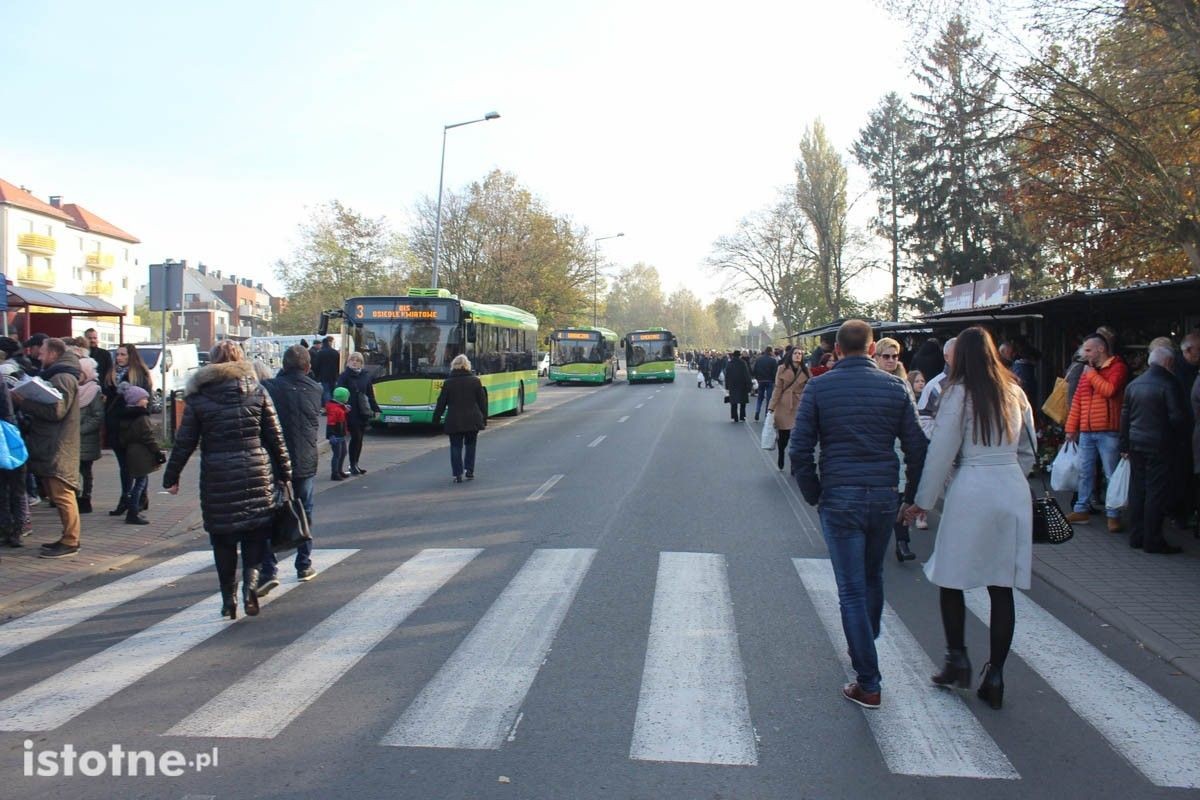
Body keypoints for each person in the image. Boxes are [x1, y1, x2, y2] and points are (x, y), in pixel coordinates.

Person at [790, 320, 927, 709]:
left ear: (836, 348)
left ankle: (868, 680)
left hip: (840, 495)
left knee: (850, 589)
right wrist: (911, 496)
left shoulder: (819, 386)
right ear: (871, 350)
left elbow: (801, 448)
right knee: (871, 576)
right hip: (883, 495)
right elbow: (917, 447)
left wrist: (813, 492)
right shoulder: (895, 386)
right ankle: (865, 642)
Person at [904, 326, 1036, 711]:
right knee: (1002, 586)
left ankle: (957, 658)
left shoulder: (959, 393)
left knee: (951, 575)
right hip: (1010, 487)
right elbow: (1028, 448)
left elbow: (941, 450)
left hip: (972, 487)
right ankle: (995, 673)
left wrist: (922, 501)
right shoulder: (1014, 390)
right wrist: (1013, 476)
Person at [163, 341, 292, 620]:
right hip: (256, 472)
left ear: (211, 362)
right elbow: (275, 436)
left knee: (222, 540)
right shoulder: (257, 392)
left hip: (217, 475)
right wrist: (286, 473)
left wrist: (171, 477)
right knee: (254, 535)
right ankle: (250, 589)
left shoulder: (198, 397)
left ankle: (227, 598)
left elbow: (184, 441)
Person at [259, 345, 323, 593]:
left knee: (269, 512)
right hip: (305, 460)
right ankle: (304, 564)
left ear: (283, 366)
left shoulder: (270, 388)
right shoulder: (315, 389)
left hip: (275, 460)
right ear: (308, 367)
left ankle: (269, 568)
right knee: (304, 511)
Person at [18, 338, 82, 559]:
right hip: (53, 443)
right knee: (59, 493)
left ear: (54, 354)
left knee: (62, 493)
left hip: (58, 445)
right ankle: (67, 537)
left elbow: (56, 411)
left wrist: (23, 401)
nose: (38, 356)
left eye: (43, 352)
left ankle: (71, 540)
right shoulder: (60, 374)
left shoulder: (62, 377)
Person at [1120, 346, 1188, 554]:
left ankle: (1136, 536)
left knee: (1138, 489)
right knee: (1156, 491)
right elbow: (1177, 417)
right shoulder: (1169, 383)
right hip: (1161, 444)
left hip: (1136, 442)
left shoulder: (1134, 384)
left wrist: (1124, 445)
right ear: (1168, 363)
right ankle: (1153, 539)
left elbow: (1125, 417)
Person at [1064, 333, 1130, 532]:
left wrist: (1091, 374)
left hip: (1108, 430)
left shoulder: (1117, 368)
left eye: (1088, 350)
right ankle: (1081, 508)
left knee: (1111, 473)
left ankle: (1113, 513)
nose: (1085, 354)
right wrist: (1070, 428)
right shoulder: (1088, 371)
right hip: (1087, 429)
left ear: (1101, 349)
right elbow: (1078, 400)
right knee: (1085, 472)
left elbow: (1109, 390)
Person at [875, 337, 916, 563]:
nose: (891, 361)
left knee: (899, 496)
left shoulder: (903, 382)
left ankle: (902, 542)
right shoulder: (871, 382)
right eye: (886, 356)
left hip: (900, 448)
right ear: (877, 357)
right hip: (880, 449)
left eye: (895, 356)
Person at [104, 343, 153, 516]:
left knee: (138, 466)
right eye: (117, 355)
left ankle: (139, 499)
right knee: (124, 466)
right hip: (116, 426)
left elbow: (145, 401)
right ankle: (125, 498)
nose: (119, 358)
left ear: (131, 356)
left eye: (123, 355)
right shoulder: (111, 375)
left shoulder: (140, 374)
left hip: (133, 426)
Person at [432, 354, 488, 483]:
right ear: (467, 366)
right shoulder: (475, 381)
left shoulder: (448, 383)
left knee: (455, 447)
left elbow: (441, 403)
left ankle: (457, 474)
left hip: (454, 420)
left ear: (453, 366)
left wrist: (436, 419)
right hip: (473, 419)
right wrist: (484, 418)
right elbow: (482, 402)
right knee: (470, 445)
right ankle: (469, 471)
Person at [117, 385, 162, 525]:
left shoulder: (124, 417)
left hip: (131, 451)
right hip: (141, 453)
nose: (147, 401)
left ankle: (131, 509)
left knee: (137, 481)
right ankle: (133, 511)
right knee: (140, 483)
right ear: (137, 400)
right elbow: (149, 437)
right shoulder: (142, 418)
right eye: (144, 399)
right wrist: (157, 452)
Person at [336, 351, 379, 475]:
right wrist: (342, 407)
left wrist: (376, 409)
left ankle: (355, 464)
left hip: (362, 411)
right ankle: (351, 464)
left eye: (358, 360)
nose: (354, 362)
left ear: (362, 363)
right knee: (356, 437)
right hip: (350, 411)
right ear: (348, 362)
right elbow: (338, 393)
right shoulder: (344, 376)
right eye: (352, 360)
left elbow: (370, 394)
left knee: (359, 439)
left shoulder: (366, 376)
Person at [766, 346, 809, 471]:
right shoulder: (782, 369)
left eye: (800, 354)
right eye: (795, 353)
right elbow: (778, 388)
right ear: (790, 355)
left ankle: (793, 465)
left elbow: (810, 389)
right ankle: (781, 453)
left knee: (796, 438)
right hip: (784, 405)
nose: (797, 355)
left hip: (799, 405)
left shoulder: (806, 371)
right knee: (784, 437)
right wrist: (771, 407)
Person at [0, 374, 27, 549]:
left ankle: (11, 530)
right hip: (10, 443)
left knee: (8, 491)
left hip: (8, 443)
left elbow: (8, 415)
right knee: (14, 490)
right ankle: (13, 530)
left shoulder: (4, 383)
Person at [76, 356, 104, 514]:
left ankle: (86, 499)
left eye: (80, 372)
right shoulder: (74, 388)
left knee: (86, 471)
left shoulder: (94, 390)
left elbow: (97, 416)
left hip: (87, 439)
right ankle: (77, 497)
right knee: (75, 471)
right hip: (73, 439)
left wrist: (80, 430)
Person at [917, 338, 956, 437]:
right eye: (957, 354)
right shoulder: (935, 386)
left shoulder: (979, 380)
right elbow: (923, 420)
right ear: (946, 357)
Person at [327, 387, 350, 480]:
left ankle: (339, 470)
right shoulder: (335, 409)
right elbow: (331, 423)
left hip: (341, 434)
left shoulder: (338, 406)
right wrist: (331, 435)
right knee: (337, 454)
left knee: (343, 452)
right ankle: (335, 473)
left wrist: (345, 409)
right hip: (336, 434)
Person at [723, 349, 752, 422]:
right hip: (742, 384)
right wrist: (749, 385)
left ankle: (734, 416)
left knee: (733, 402)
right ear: (739, 355)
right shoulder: (743, 363)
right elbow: (747, 375)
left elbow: (727, 375)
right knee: (743, 402)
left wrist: (727, 386)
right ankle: (742, 416)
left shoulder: (730, 363)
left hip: (732, 385)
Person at [752, 346, 778, 421]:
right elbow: (775, 372)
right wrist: (774, 380)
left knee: (760, 397)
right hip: (769, 381)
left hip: (761, 381)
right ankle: (767, 414)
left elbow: (755, 370)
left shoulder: (759, 360)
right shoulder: (773, 361)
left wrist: (757, 378)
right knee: (769, 399)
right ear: (770, 352)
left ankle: (757, 411)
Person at [313, 336, 340, 404]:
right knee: (333, 391)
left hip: (324, 376)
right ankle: (334, 405)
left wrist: (317, 375)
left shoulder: (320, 353)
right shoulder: (335, 352)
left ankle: (329, 407)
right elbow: (338, 364)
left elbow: (317, 365)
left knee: (326, 392)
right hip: (334, 376)